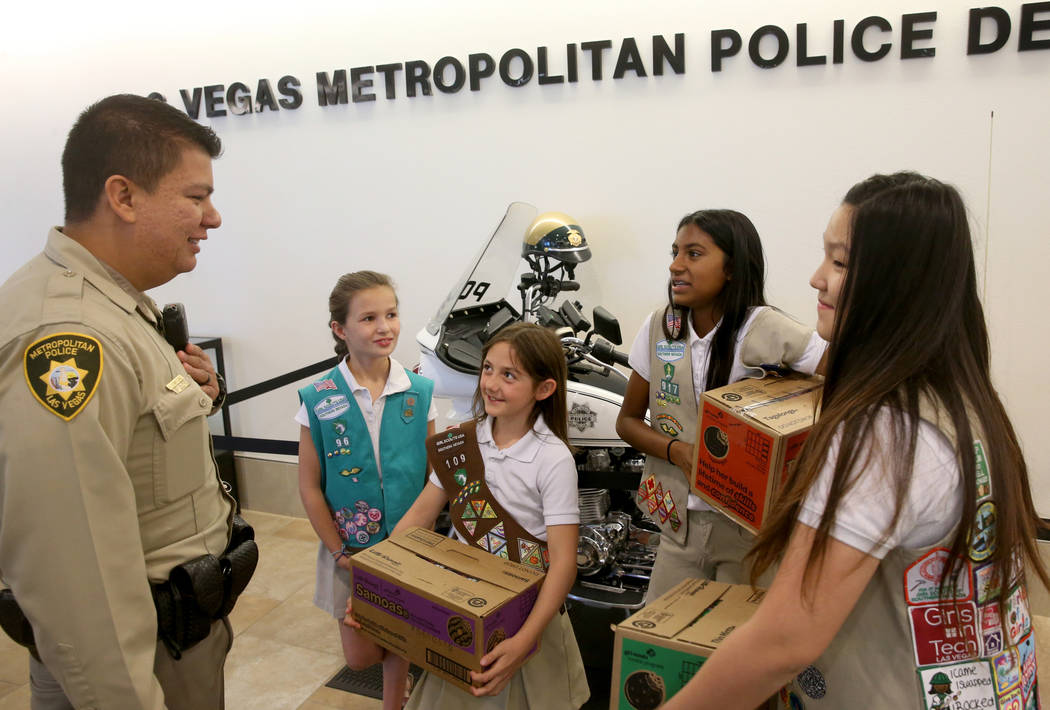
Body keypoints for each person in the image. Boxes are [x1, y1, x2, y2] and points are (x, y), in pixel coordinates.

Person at [663, 173, 1049, 709]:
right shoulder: (962, 399)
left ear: (898, 283)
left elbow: (785, 638)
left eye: (840, 262)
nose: (817, 279)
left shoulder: (886, 432)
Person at [0, 94, 242, 709]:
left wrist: (196, 397)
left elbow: (136, 447)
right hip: (139, 665)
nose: (212, 217)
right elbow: (77, 584)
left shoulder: (117, 304)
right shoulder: (69, 341)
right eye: (195, 197)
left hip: (178, 640)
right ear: (124, 196)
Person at [349, 322, 590, 709]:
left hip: (526, 622)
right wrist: (373, 578)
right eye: (488, 369)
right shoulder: (461, 441)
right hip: (466, 610)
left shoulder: (553, 457)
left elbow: (563, 563)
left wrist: (525, 640)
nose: (491, 383)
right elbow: (416, 520)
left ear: (544, 389)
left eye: (509, 375)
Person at [615, 209, 826, 598]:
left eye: (694, 254)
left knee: (739, 649)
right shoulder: (660, 327)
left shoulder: (766, 327)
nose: (676, 266)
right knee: (660, 639)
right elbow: (626, 422)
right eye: (675, 252)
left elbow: (842, 380)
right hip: (679, 525)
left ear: (732, 268)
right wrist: (677, 451)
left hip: (750, 534)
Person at [296, 270, 436, 710]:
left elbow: (434, 477)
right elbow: (309, 487)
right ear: (340, 329)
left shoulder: (419, 392)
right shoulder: (318, 397)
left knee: (402, 638)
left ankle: (394, 701)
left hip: (408, 547)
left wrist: (419, 539)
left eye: (391, 314)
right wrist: (340, 552)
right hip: (350, 551)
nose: (384, 327)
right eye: (369, 318)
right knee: (360, 656)